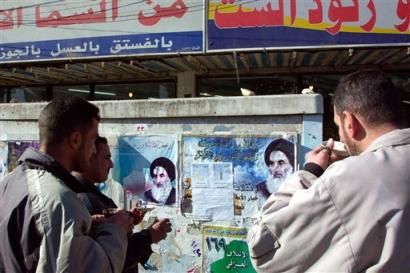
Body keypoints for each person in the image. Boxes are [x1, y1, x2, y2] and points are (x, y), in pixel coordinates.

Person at [248, 70, 410, 272]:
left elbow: (263, 247)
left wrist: (310, 171)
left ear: (349, 122)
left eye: (338, 126)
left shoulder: (347, 178)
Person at [0, 97, 134, 273]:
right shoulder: (59, 199)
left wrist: (86, 227)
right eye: (93, 140)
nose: (94, 150)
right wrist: (116, 230)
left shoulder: (9, 183)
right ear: (76, 140)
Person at [75, 136, 172, 273]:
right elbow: (115, 258)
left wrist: (128, 222)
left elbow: (114, 241)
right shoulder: (84, 201)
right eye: (107, 158)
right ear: (90, 157)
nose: (111, 164)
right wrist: (150, 235)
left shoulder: (91, 196)